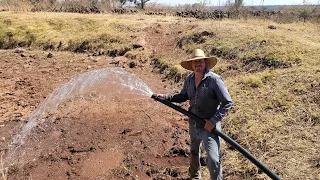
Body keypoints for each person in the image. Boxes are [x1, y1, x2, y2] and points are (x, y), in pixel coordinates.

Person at [155, 49, 232, 180]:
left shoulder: (214, 80)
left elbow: (227, 102)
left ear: (205, 63)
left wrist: (213, 121)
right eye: (195, 62)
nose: (198, 64)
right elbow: (183, 96)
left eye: (200, 61)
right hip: (194, 122)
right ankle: (195, 175)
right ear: (191, 65)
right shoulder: (189, 79)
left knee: (213, 159)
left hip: (209, 125)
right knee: (194, 150)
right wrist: (165, 97)